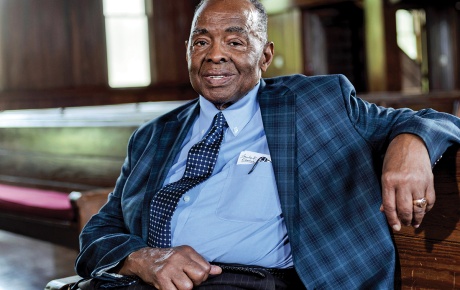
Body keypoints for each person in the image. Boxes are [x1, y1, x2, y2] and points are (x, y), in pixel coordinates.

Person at [75, 0, 460, 289]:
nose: (215, 54)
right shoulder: (153, 135)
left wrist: (411, 144)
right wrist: (144, 259)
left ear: (266, 56)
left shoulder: (316, 103)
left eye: (235, 41)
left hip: (255, 281)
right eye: (201, 41)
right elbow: (99, 232)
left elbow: (429, 119)